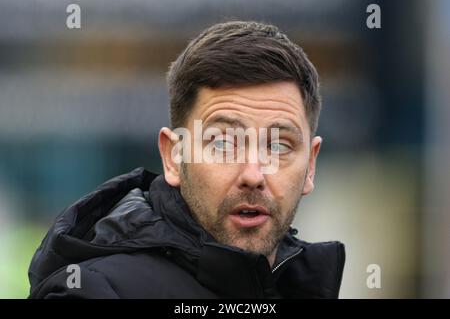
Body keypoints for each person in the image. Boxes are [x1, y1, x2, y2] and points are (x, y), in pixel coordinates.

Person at [28, 21, 345, 299]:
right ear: (173, 157)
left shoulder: (305, 284)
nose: (254, 173)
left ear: (310, 165)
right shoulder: (97, 293)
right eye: (223, 143)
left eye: (278, 146)